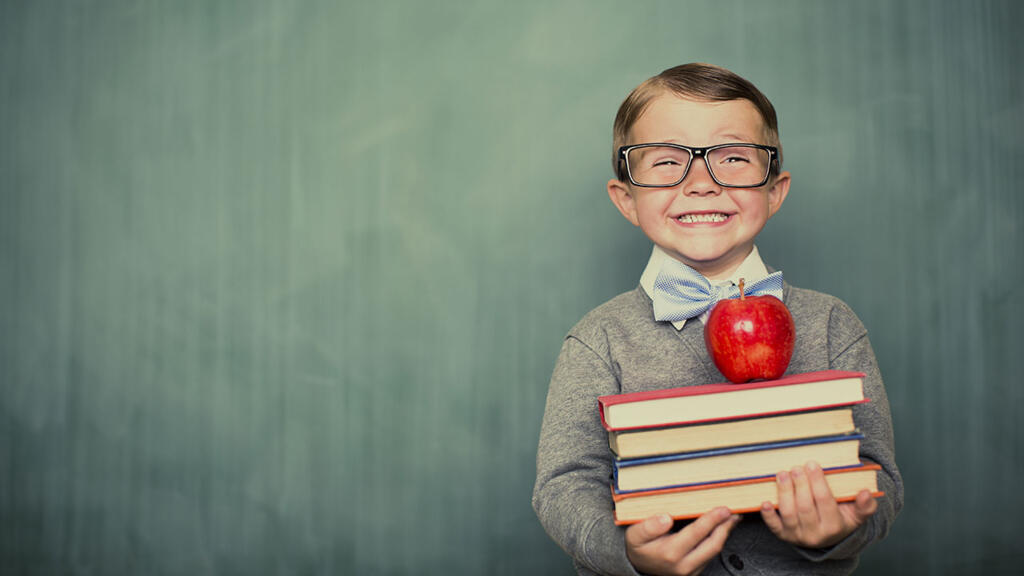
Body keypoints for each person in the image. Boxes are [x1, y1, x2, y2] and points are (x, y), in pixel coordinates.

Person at [532, 63, 903, 576]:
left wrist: (842, 528)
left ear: (774, 191)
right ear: (626, 200)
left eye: (732, 158)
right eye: (665, 161)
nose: (701, 183)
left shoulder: (831, 324)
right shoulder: (600, 339)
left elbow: (880, 477)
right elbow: (564, 485)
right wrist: (628, 554)